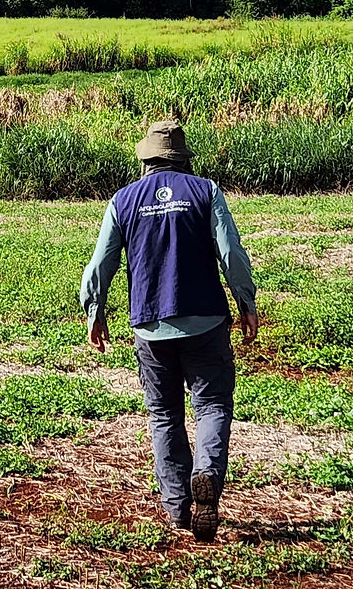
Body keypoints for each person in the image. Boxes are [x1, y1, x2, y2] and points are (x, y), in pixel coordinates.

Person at [79, 120, 259, 542]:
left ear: (146, 161)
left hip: (150, 325)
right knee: (212, 406)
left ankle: (178, 509)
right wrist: (245, 301)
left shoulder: (123, 200)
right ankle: (207, 476)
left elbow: (101, 261)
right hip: (207, 323)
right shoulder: (206, 191)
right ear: (183, 160)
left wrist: (95, 310)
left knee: (164, 417)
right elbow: (230, 252)